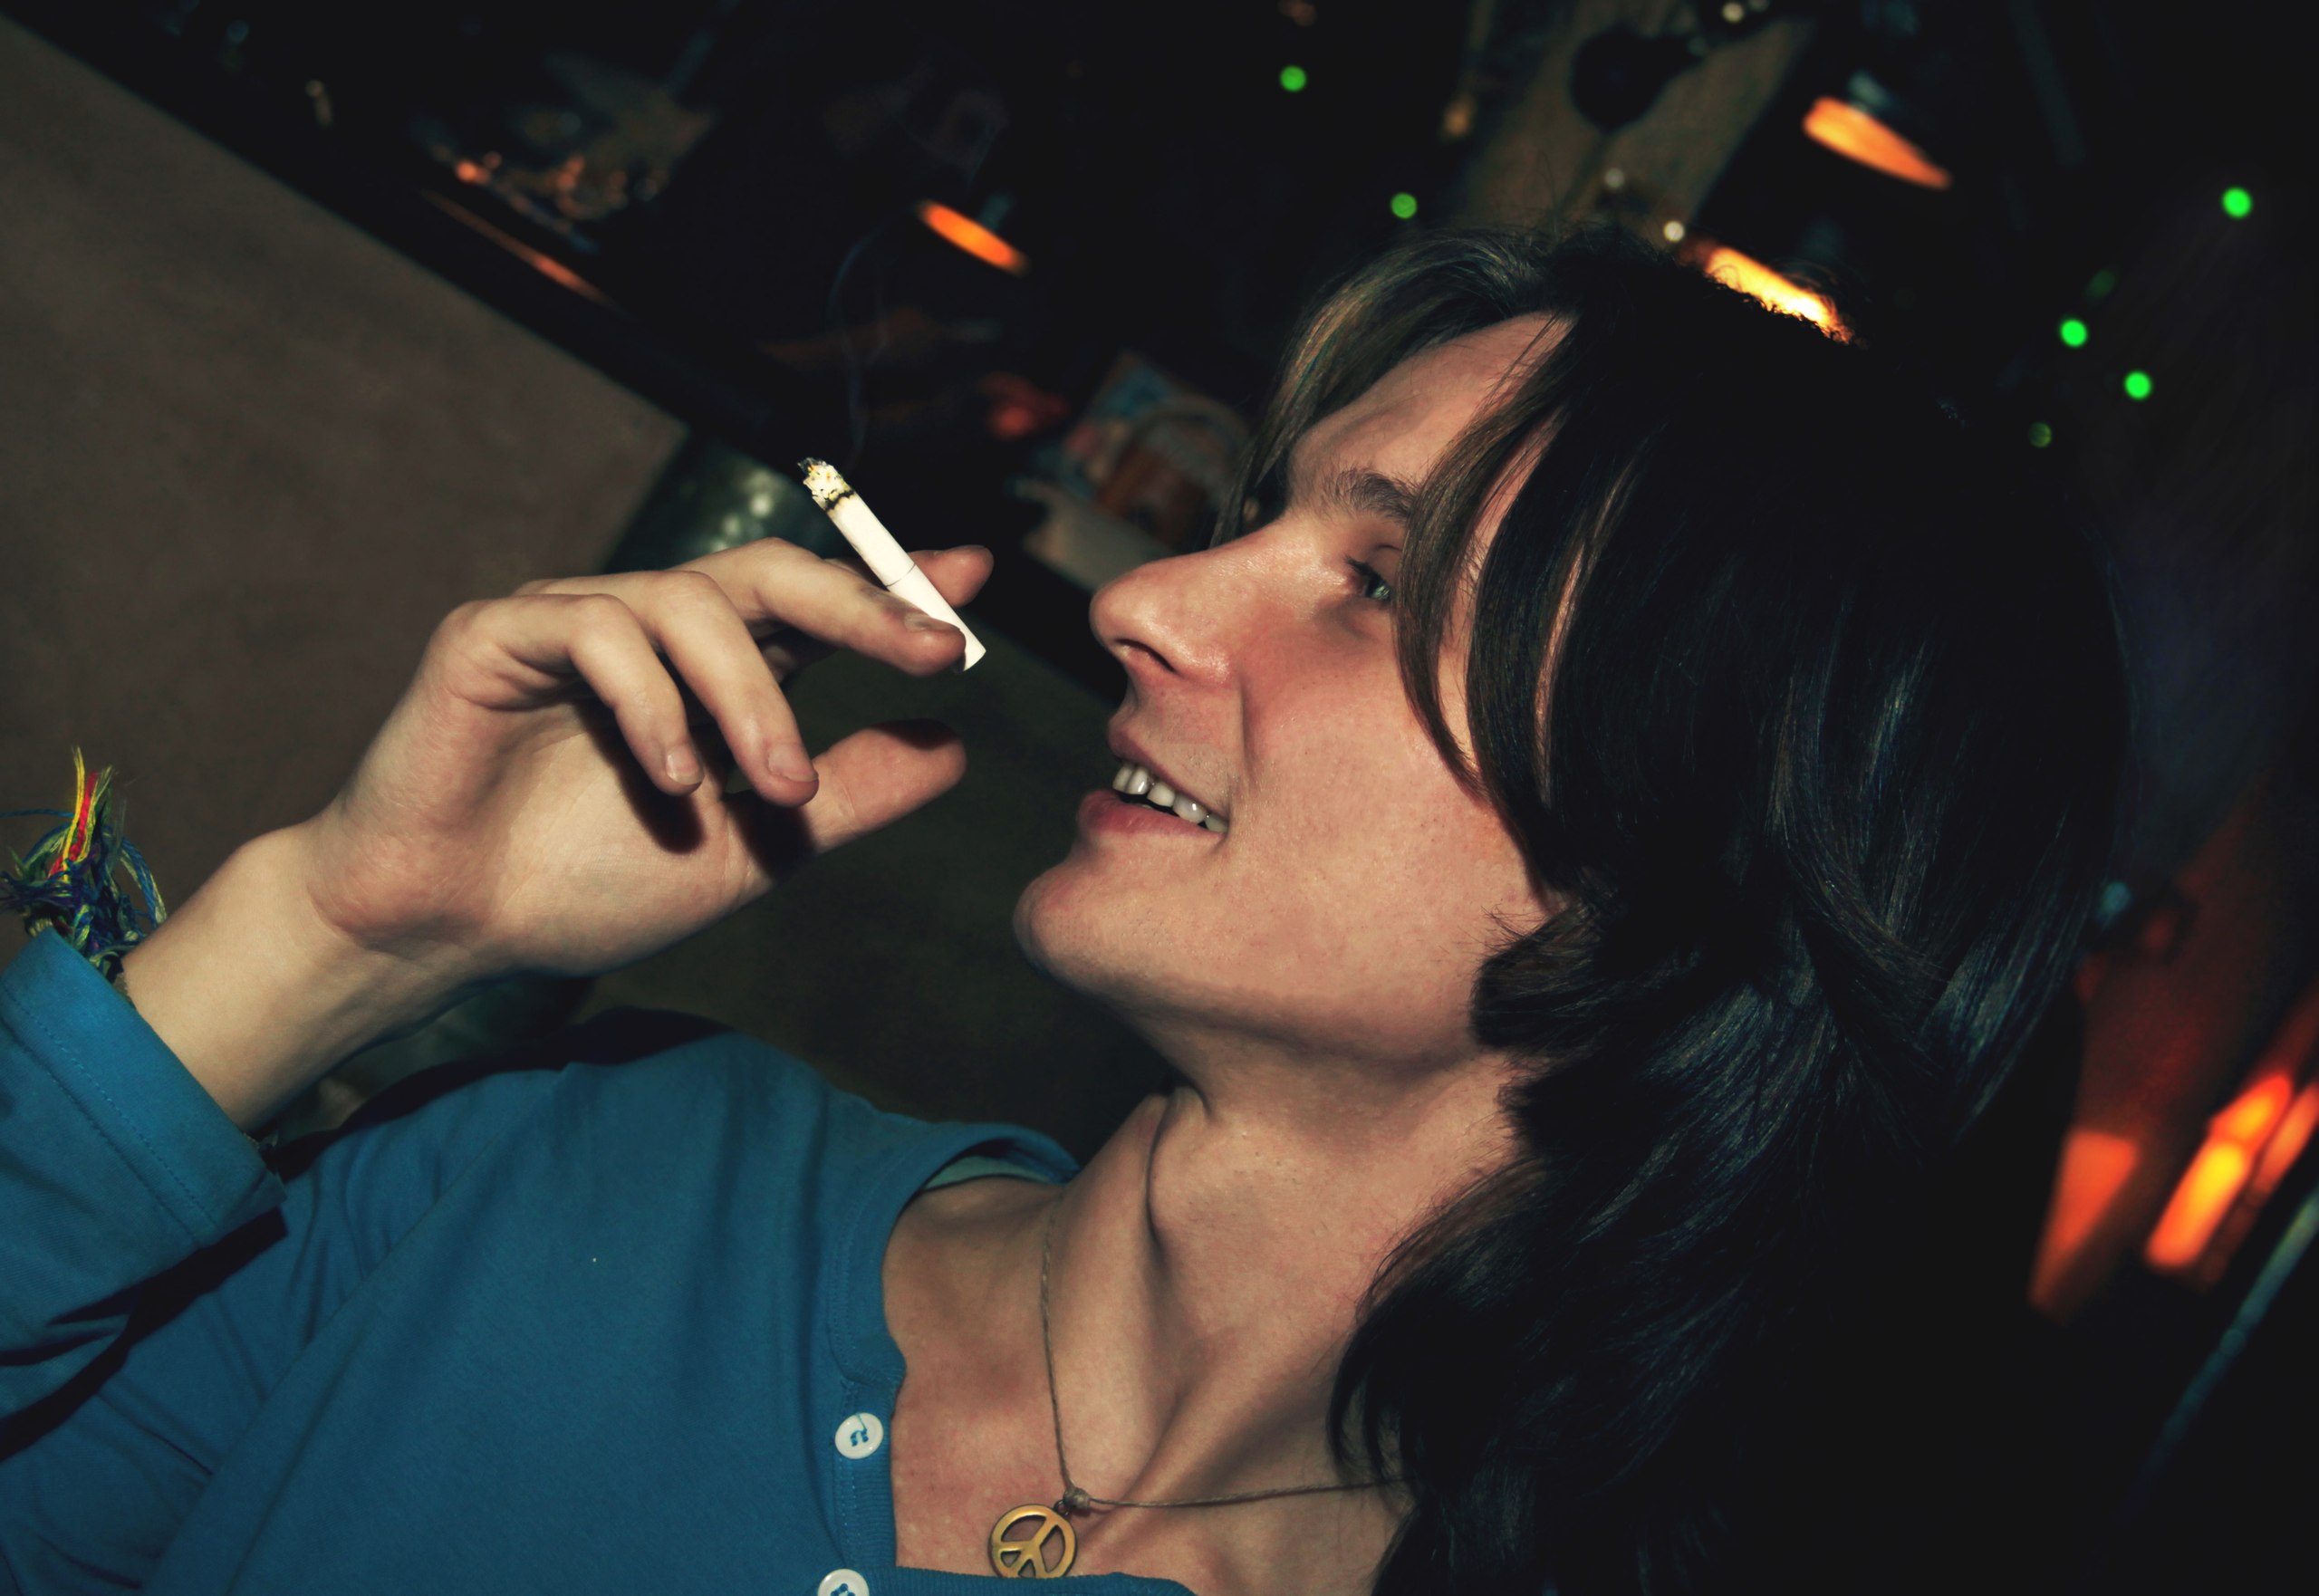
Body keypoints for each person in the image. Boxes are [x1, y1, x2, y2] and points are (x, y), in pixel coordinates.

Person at [0, 226, 2130, 1595]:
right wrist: (333, 940)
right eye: (1256, 514)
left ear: (1699, 861)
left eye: (1373, 582)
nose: (1145, 599)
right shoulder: (578, 1163)